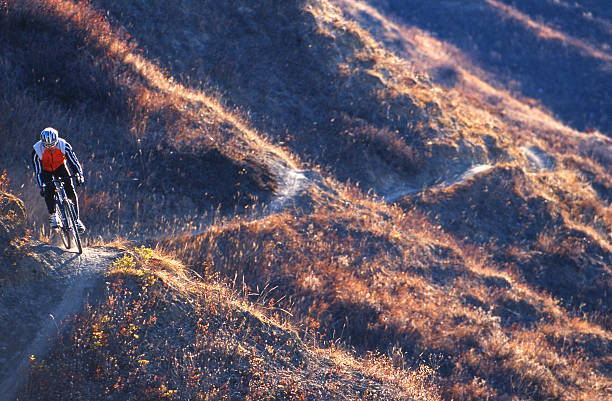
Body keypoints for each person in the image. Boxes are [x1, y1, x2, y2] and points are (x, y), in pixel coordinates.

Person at [32, 127, 86, 233]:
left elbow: (73, 162)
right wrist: (42, 185)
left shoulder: (64, 145)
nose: (50, 149)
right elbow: (38, 171)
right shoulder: (36, 151)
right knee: (49, 189)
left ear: (56, 141)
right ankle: (53, 215)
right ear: (42, 144)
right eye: (46, 147)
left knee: (70, 189)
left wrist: (79, 175)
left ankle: (76, 220)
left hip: (60, 167)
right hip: (45, 170)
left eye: (52, 146)